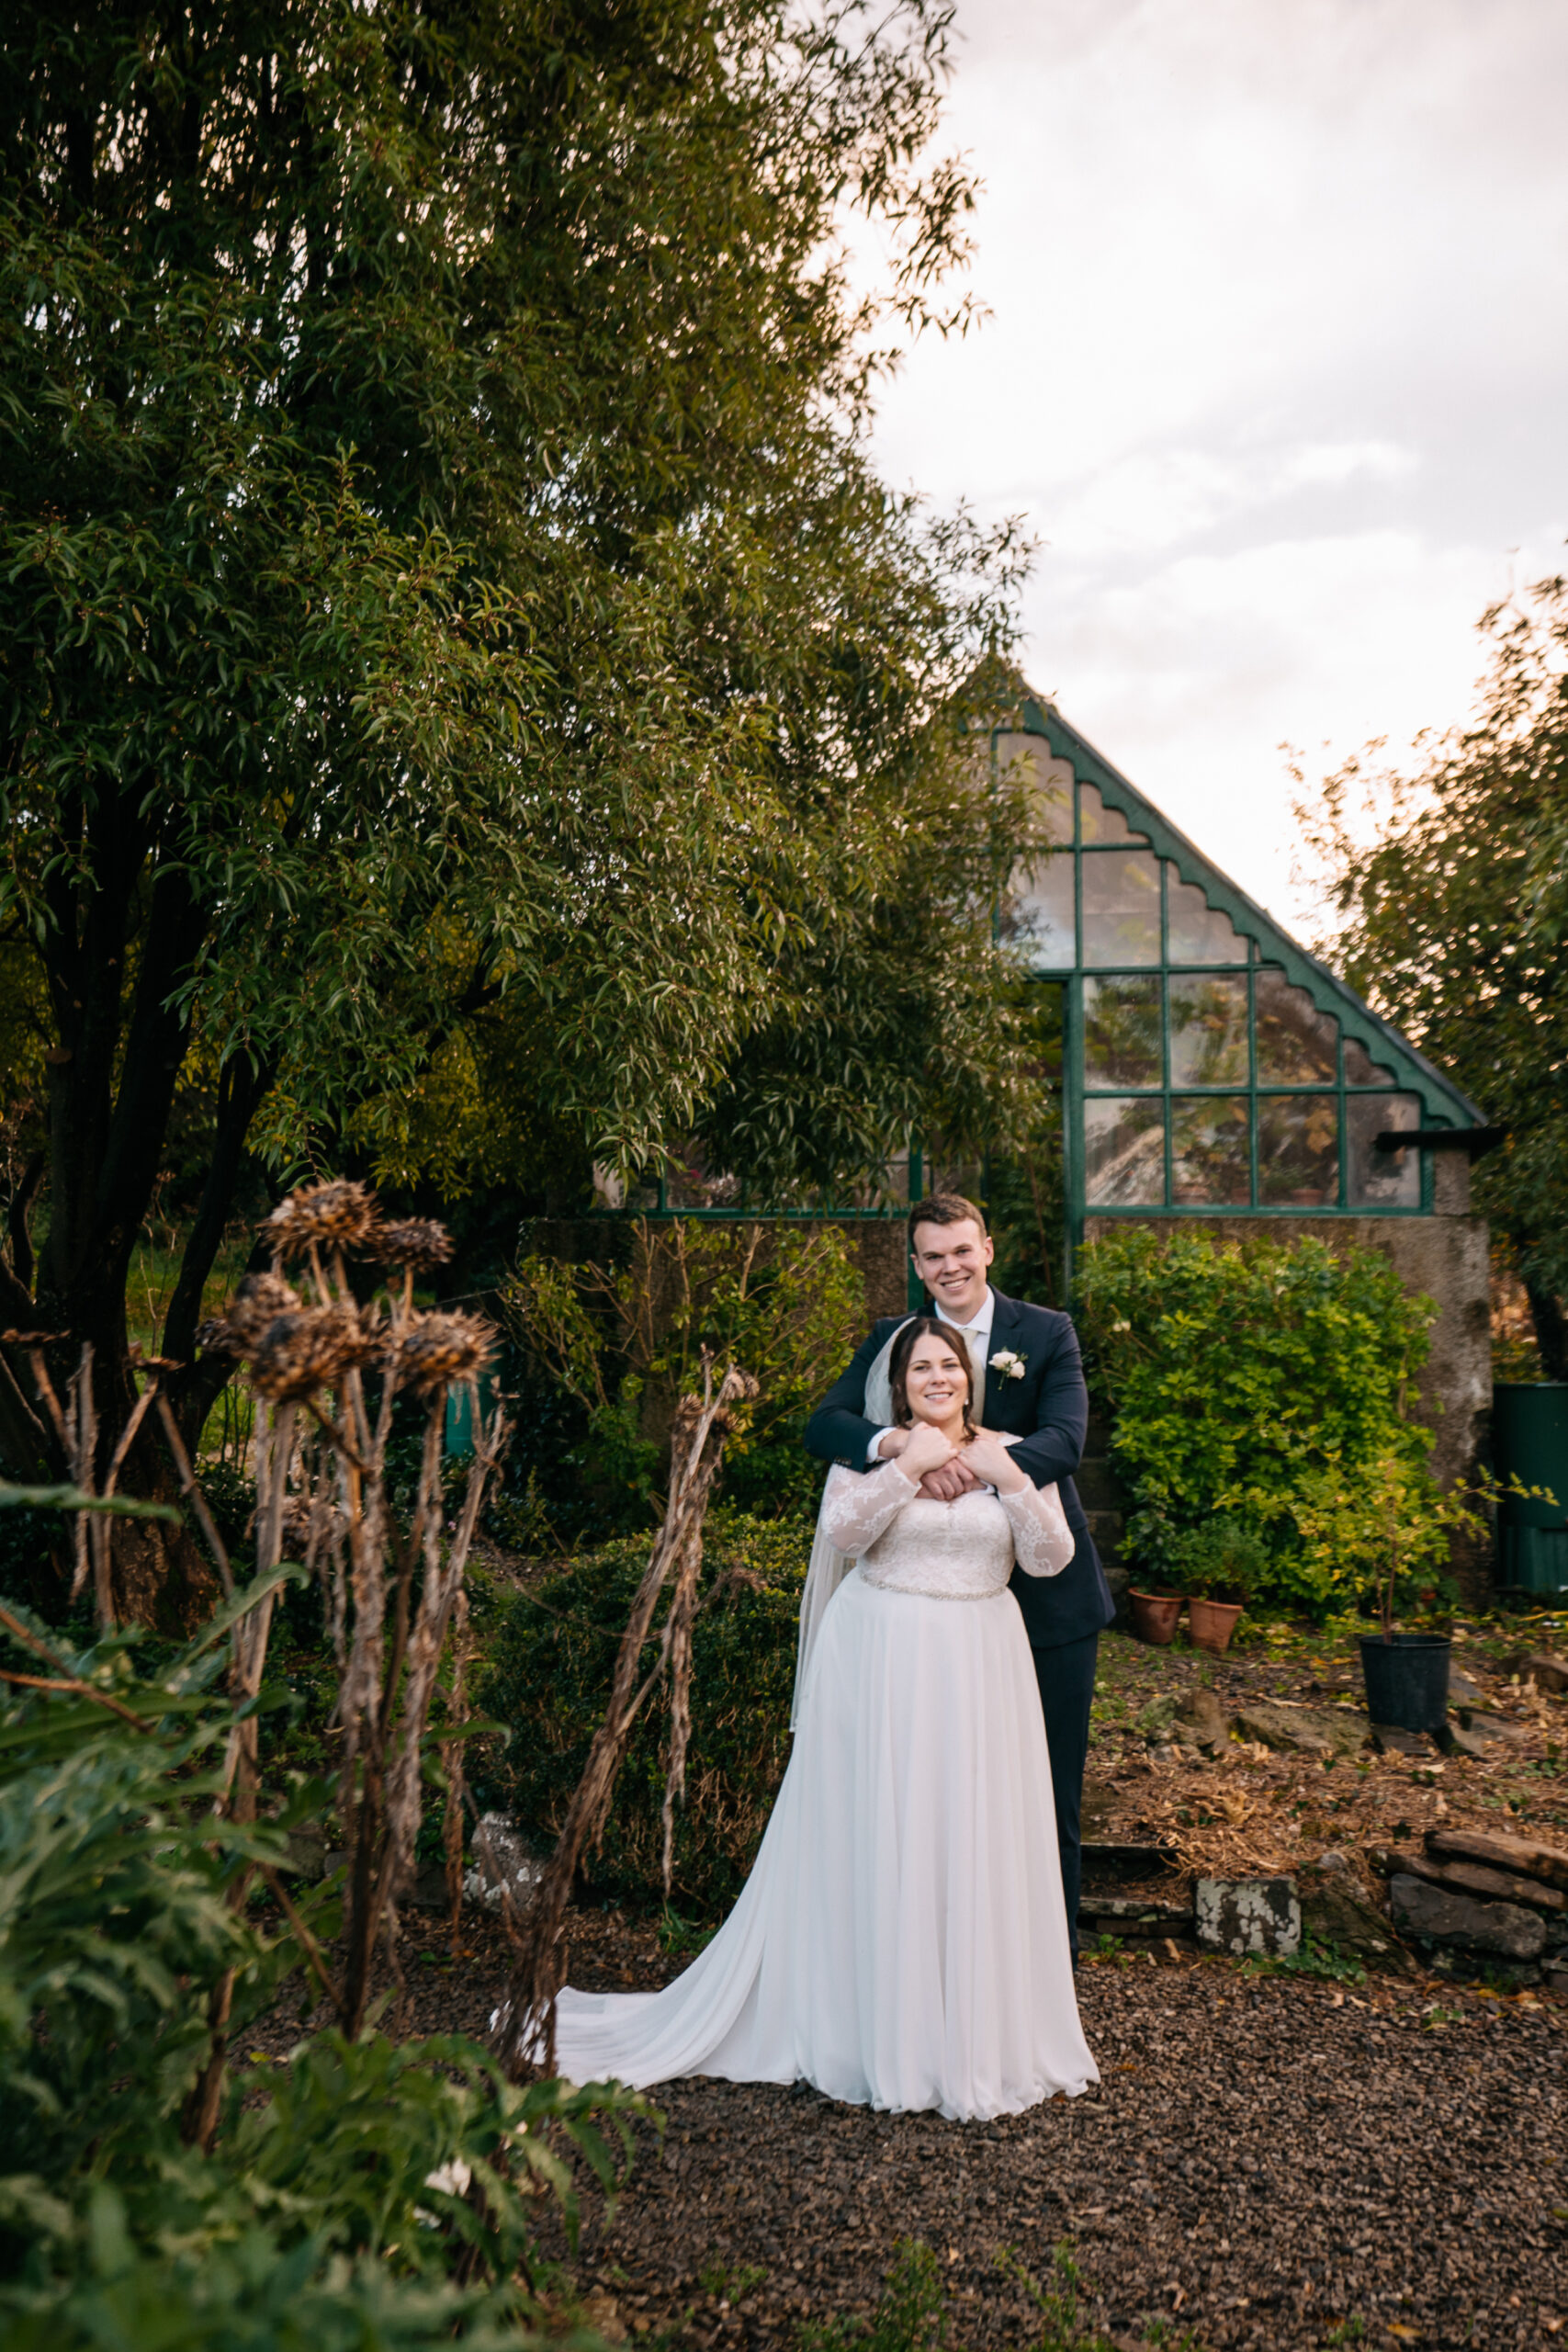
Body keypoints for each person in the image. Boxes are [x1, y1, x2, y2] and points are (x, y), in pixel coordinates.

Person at [551, 1317, 1099, 2121]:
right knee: (882, 1827)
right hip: (881, 1655)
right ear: (899, 1384)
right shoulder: (871, 1450)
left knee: (968, 1828)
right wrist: (904, 1465)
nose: (937, 1378)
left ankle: (972, 2026)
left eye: (949, 1365)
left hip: (982, 1659)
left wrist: (1007, 1478)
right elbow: (843, 1534)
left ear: (970, 1377)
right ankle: (874, 2024)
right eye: (921, 1369)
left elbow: (1049, 1559)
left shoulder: (1012, 1450)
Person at [804, 1193, 1115, 1962]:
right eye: (932, 1256)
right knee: (933, 1788)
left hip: (1042, 1597)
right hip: (923, 1603)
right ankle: (932, 1952)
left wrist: (975, 1470)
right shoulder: (893, 1340)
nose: (949, 1266)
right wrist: (901, 1449)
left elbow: (1065, 1440)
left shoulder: (1045, 1332)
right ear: (917, 1264)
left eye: (961, 1251)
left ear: (988, 1249)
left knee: (1044, 1788)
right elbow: (828, 1424)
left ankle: (1046, 1964)